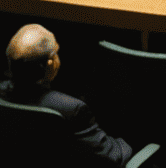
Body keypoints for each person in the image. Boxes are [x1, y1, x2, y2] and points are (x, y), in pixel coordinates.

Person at [1, 24, 132, 164]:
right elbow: (111, 157)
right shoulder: (73, 109)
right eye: (56, 52)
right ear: (51, 64)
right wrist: (128, 143)